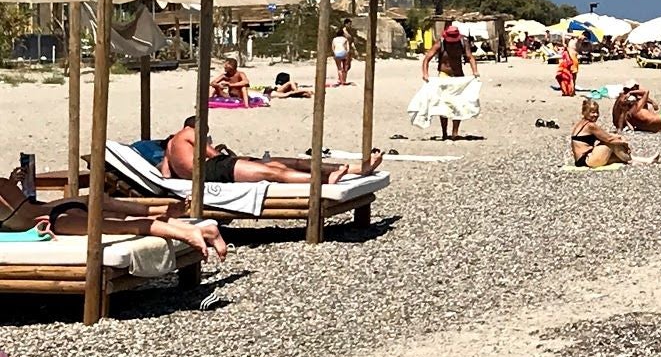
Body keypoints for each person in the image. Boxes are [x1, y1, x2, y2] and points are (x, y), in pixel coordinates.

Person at [4, 165, 227, 261]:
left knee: (126, 225)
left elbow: (18, 216)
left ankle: (187, 234)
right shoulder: (4, 183)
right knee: (125, 213)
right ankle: (200, 228)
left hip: (53, 219)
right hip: (60, 205)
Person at [164, 117, 383, 184]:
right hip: (212, 171)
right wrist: (219, 151)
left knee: (279, 164)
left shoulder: (171, 144)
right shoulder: (190, 133)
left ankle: (356, 169)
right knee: (273, 172)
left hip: (208, 172)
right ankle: (323, 180)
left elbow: (165, 175)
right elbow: (214, 156)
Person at [413, 22, 482, 140]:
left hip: (458, 75)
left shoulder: (463, 43)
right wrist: (425, 73)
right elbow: (427, 59)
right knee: (443, 104)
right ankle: (444, 132)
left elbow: (470, 57)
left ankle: (455, 132)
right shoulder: (441, 43)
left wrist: (475, 71)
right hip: (444, 74)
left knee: (458, 103)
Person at [570, 98, 657, 168]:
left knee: (617, 156)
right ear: (584, 112)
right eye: (592, 112)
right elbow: (609, 139)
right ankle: (638, 161)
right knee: (612, 144)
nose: (596, 115)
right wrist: (624, 143)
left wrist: (618, 137)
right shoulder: (590, 126)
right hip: (587, 159)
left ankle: (646, 161)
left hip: (581, 161)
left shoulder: (581, 123)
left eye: (597, 112)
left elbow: (606, 135)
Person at [331, 21, 353, 87]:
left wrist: (334, 54)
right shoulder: (345, 39)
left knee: (339, 69)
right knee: (345, 68)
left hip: (337, 54)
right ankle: (344, 80)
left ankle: (340, 80)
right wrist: (348, 56)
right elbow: (348, 49)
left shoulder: (334, 39)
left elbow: (333, 48)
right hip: (344, 53)